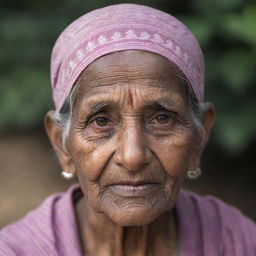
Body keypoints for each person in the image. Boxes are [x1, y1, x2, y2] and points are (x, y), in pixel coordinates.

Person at [0, 4, 255, 256]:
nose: (132, 157)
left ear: (199, 137)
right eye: (100, 121)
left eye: (162, 118)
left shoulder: (237, 243)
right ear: (61, 143)